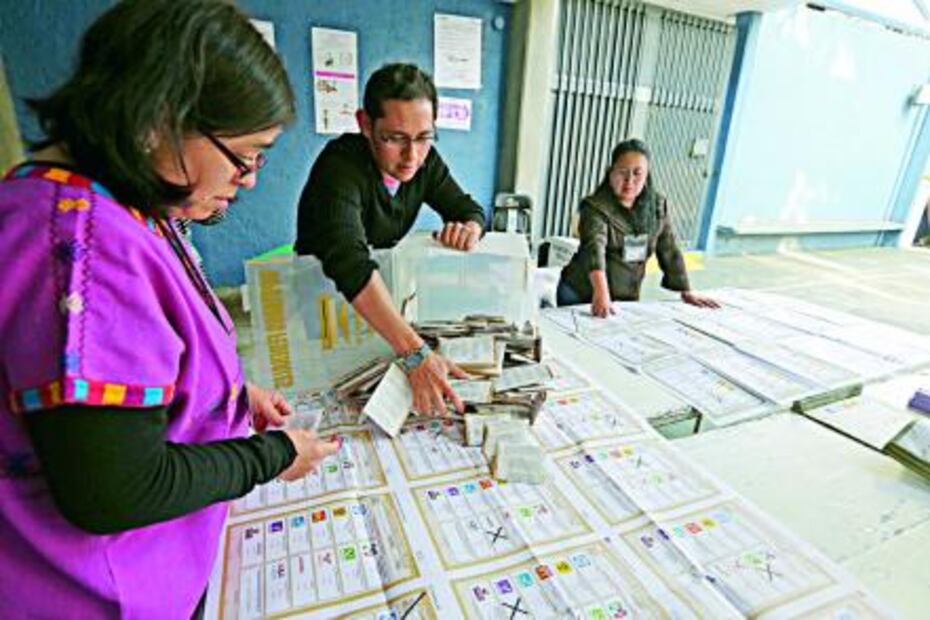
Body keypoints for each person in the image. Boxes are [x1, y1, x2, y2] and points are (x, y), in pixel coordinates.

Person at [0, 1, 340, 617]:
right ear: (159, 120)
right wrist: (274, 456)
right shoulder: (85, 248)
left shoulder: (118, 201)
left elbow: (142, 355)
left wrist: (227, 395)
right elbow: (115, 489)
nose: (250, 178)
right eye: (246, 155)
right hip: (93, 591)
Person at [296, 63, 487, 417]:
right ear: (365, 124)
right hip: (323, 305)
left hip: (380, 309)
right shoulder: (339, 167)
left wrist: (470, 227)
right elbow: (349, 263)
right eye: (394, 138)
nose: (411, 156)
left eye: (424, 137)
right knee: (329, 399)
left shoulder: (425, 163)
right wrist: (415, 353)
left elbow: (467, 208)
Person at [557, 138, 719, 317]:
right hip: (581, 293)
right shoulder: (595, 207)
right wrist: (601, 293)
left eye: (637, 173)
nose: (629, 181)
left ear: (646, 176)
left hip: (625, 295)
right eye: (623, 172)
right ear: (610, 172)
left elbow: (669, 248)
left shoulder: (656, 206)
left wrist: (686, 290)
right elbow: (594, 250)